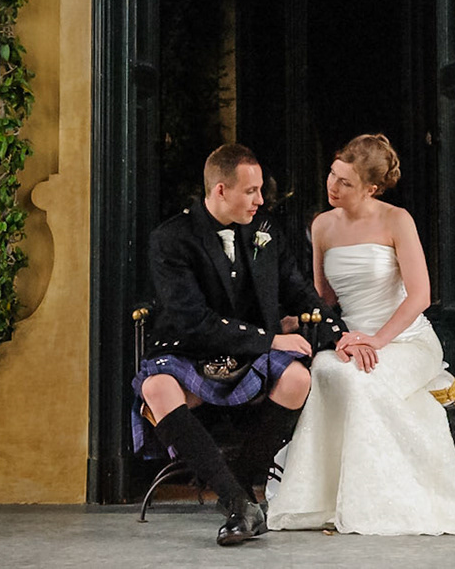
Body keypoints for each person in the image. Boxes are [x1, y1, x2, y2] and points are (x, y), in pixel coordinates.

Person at [268, 133, 455, 535]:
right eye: (332, 175)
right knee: (326, 368)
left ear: (371, 188)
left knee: (361, 380)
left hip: (407, 340)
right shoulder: (323, 225)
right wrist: (294, 322)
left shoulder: (397, 220)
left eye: (346, 183)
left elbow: (421, 295)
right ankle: (324, 495)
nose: (332, 186)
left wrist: (377, 340)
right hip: (351, 340)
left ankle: (384, 498)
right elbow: (325, 297)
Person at [134, 143, 343, 546]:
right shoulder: (171, 238)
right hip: (190, 348)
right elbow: (193, 322)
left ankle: (240, 486)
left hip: (248, 353)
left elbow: (299, 290)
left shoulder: (265, 231)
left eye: (260, 190)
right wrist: (272, 340)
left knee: (298, 379)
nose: (261, 200)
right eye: (251, 191)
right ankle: (238, 501)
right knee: (155, 388)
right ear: (220, 191)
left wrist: (339, 333)